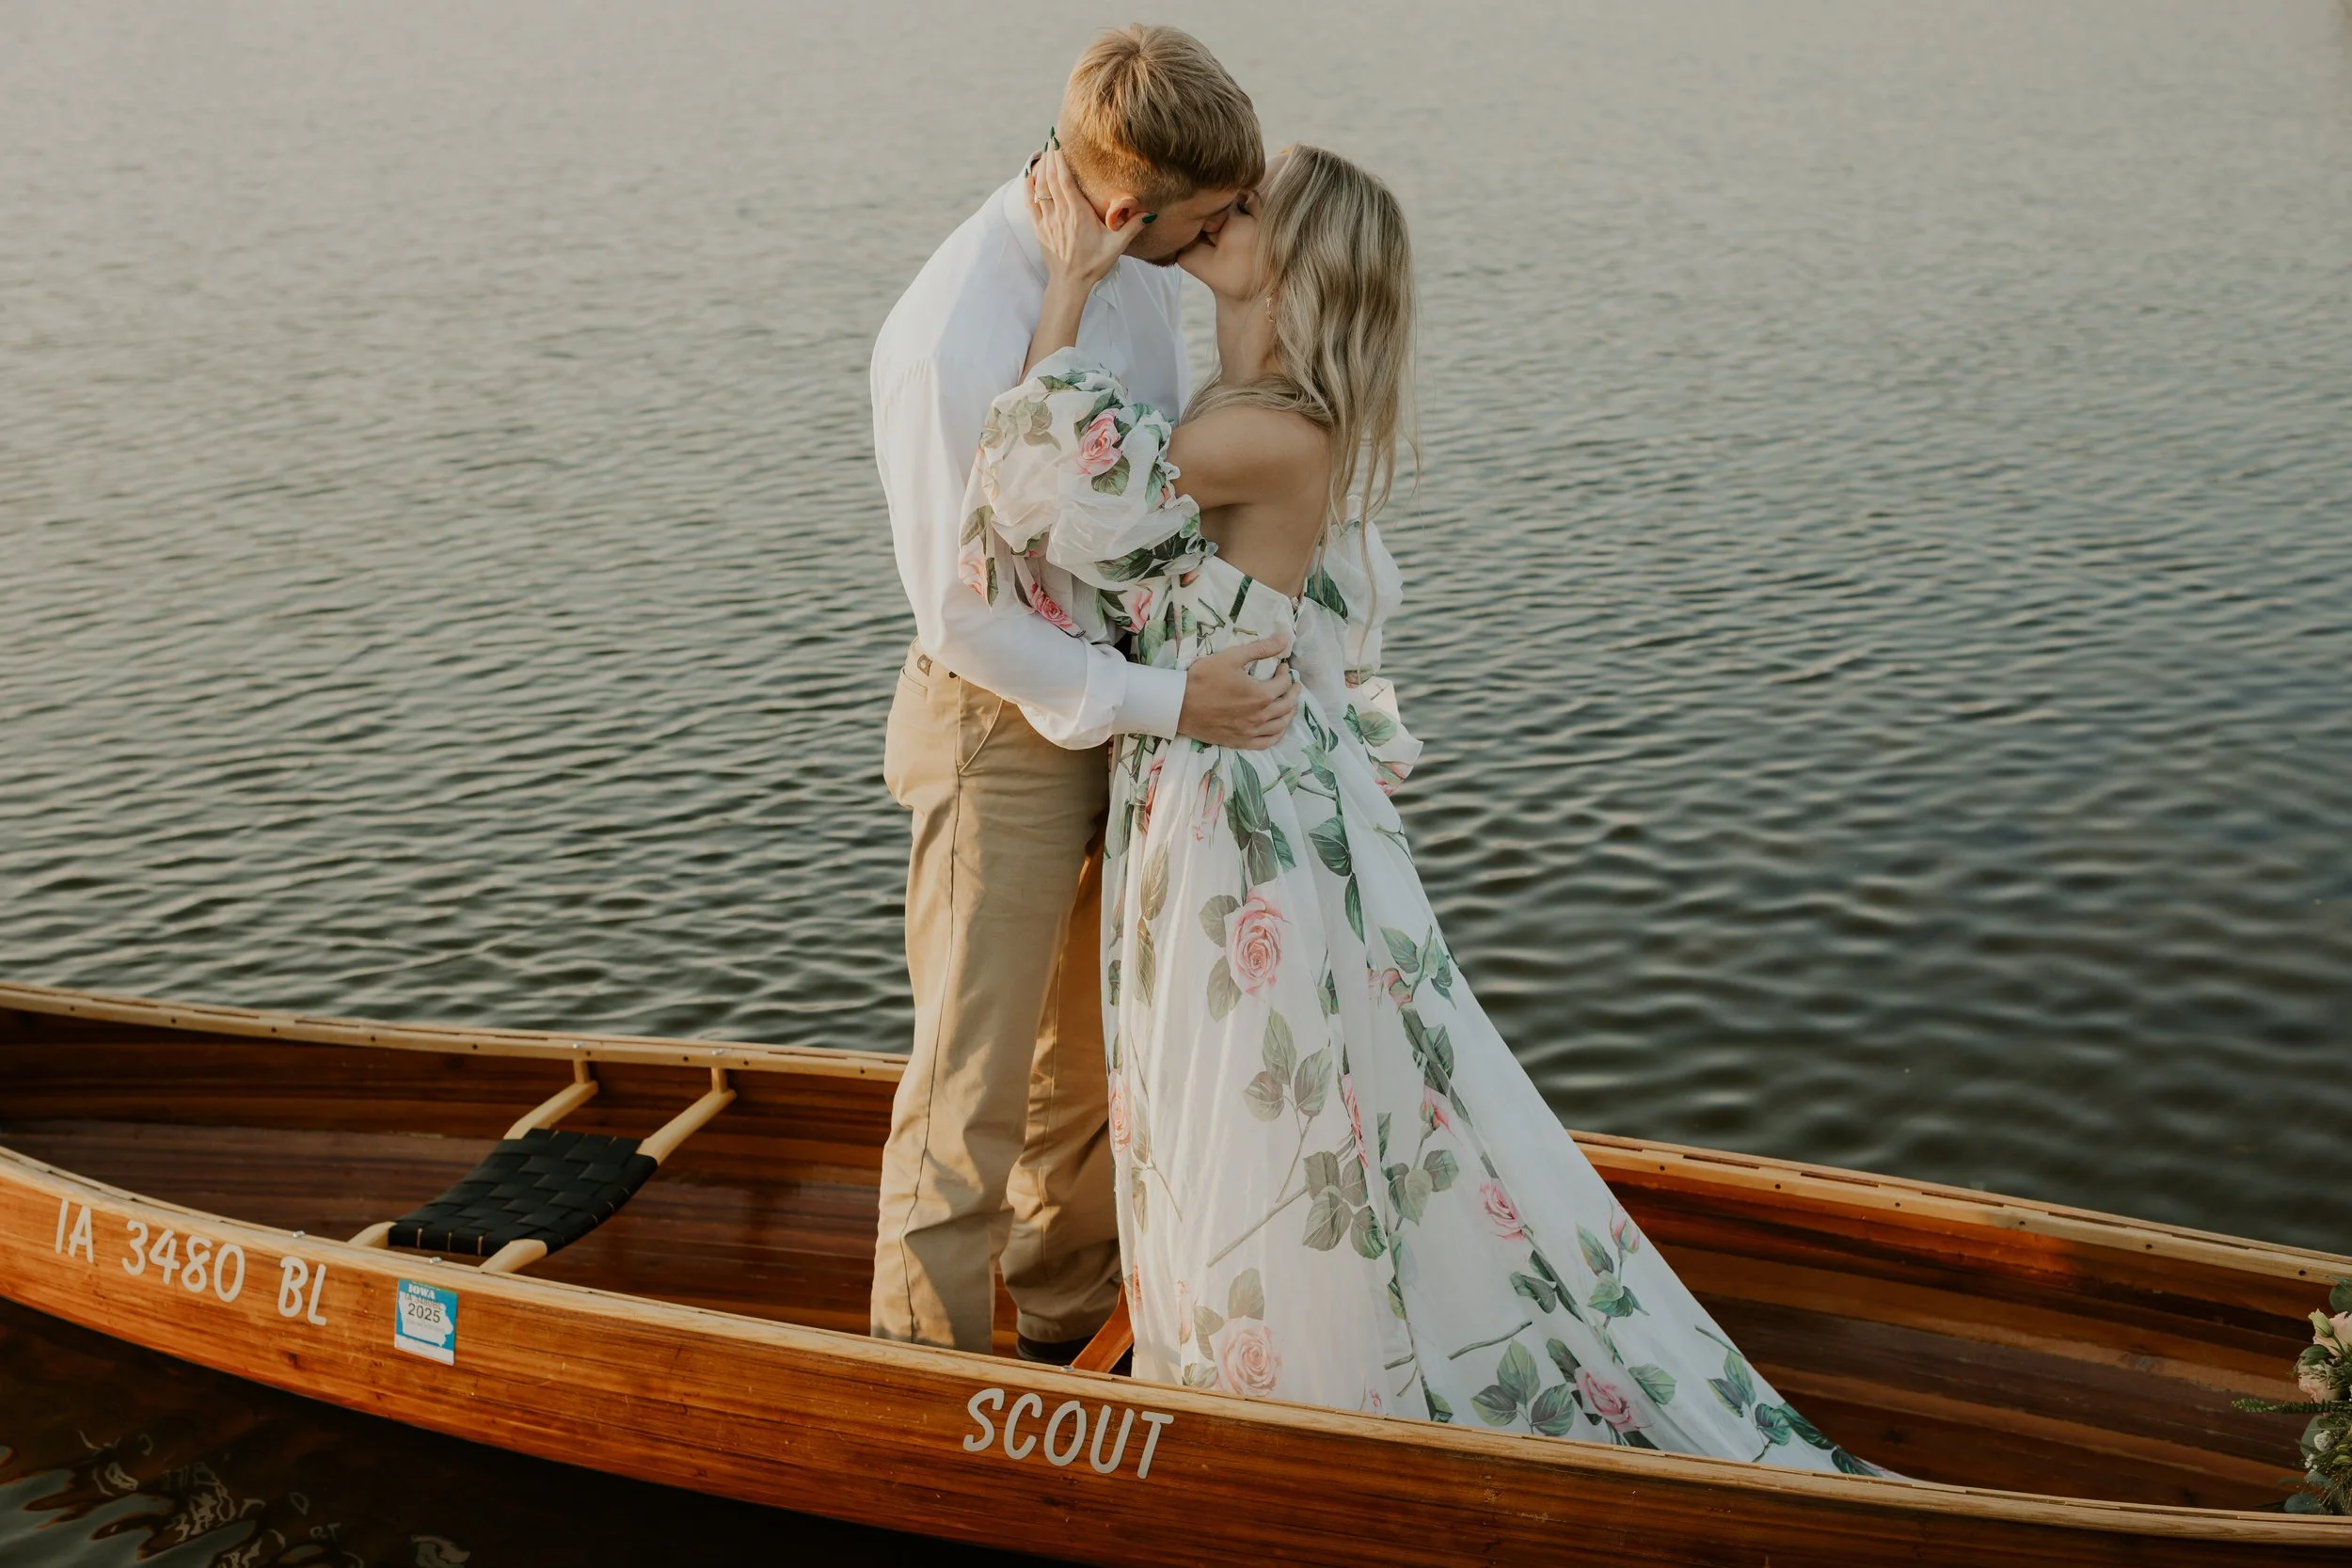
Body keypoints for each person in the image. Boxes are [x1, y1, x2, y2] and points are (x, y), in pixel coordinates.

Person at [959, 139, 1888, 1474]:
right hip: (1229, 778)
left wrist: (1063, 286)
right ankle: (1264, 1365)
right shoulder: (1255, 409)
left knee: (1241, 1085)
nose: (1226, 216)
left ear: (1306, 258)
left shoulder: (1262, 431)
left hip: (1235, 809)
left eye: (1253, 208)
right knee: (1257, 1084)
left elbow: (1037, 493)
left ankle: (1285, 1403)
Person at [866, 24, 1296, 1361]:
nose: (1234, 227)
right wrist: (1173, 705)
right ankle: (920, 1381)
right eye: (1213, 215)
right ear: (1124, 207)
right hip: (1000, 728)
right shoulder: (952, 336)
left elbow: (1140, 502)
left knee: (1083, 1076)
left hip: (1126, 709)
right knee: (970, 1082)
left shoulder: (1128, 273)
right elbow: (964, 611)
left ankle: (1058, 1341)